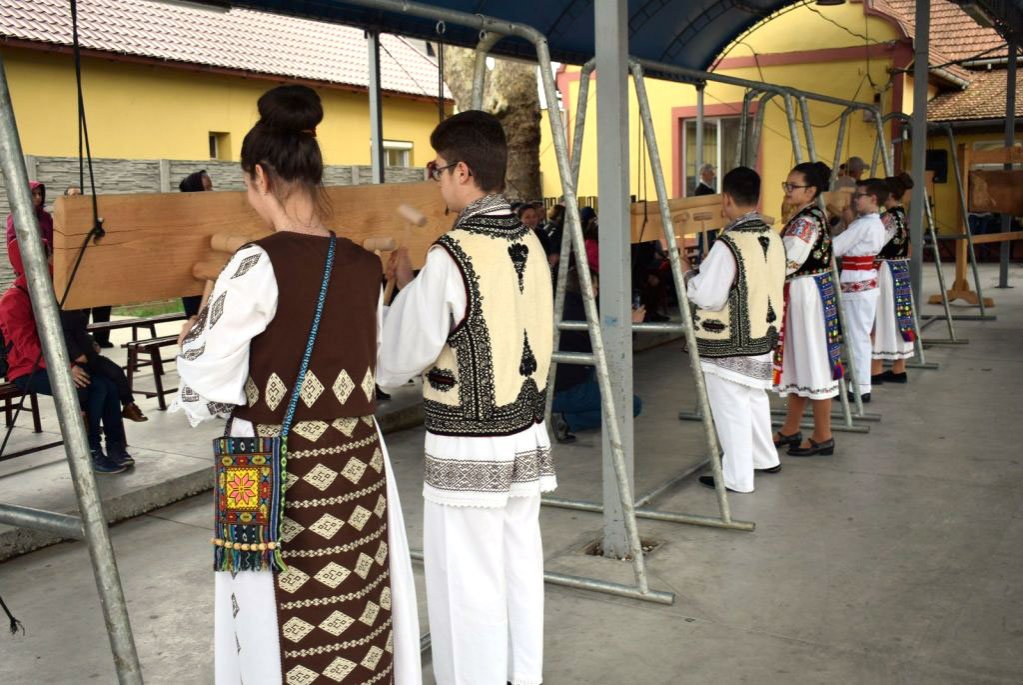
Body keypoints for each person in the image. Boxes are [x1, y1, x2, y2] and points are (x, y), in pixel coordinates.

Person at [169, 85, 421, 685]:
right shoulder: (363, 265)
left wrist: (189, 336)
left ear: (260, 175)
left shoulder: (255, 263)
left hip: (265, 460)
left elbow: (205, 373)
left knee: (265, 616)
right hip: (357, 463)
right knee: (359, 599)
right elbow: (377, 364)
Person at [378, 110, 554, 685]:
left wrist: (392, 294)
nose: (434, 181)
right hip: (523, 430)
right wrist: (412, 282)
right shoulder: (526, 237)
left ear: (461, 171)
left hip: (469, 444)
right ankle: (520, 675)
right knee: (519, 565)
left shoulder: (456, 251)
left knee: (467, 580)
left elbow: (405, 352)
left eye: (435, 170)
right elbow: (481, 318)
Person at [686, 167, 784, 492]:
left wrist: (688, 274)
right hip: (762, 333)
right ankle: (763, 457)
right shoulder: (771, 235)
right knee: (754, 397)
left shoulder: (730, 243)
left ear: (726, 199)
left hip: (729, 340)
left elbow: (708, 296)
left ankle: (737, 477)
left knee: (730, 407)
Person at [0, 239, 131, 473]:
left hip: (63, 361)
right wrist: (65, 367)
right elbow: (27, 346)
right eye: (46, 255)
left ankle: (116, 447)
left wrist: (87, 343)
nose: (51, 260)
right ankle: (90, 452)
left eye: (49, 253)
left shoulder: (54, 289)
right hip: (29, 369)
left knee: (109, 384)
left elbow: (71, 326)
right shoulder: (14, 300)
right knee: (93, 388)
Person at [774, 162, 841, 457]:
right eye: (786, 185)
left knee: (813, 362)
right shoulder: (807, 216)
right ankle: (791, 428)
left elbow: (786, 260)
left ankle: (823, 434)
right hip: (804, 292)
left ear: (811, 190)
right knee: (799, 361)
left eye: (793, 186)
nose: (788, 191)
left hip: (806, 295)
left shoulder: (806, 222)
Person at [552, 269, 643, 443]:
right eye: (595, 286)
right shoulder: (582, 312)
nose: (598, 291)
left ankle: (564, 417)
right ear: (587, 286)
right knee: (631, 405)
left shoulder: (563, 305)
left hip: (554, 384)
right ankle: (567, 418)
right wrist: (631, 327)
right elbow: (606, 350)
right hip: (566, 389)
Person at [834, 178, 888, 403]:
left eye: (860, 195)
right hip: (864, 282)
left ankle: (859, 387)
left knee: (857, 337)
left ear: (873, 199)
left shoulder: (863, 224)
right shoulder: (873, 223)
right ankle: (861, 384)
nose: (856, 199)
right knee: (860, 336)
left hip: (857, 284)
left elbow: (835, 248)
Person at [60, 308, 148, 422]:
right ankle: (82, 418)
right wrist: (77, 354)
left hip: (89, 355)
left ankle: (129, 406)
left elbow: (82, 331)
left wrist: (93, 341)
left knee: (116, 371)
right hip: (74, 359)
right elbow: (63, 336)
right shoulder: (57, 311)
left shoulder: (75, 307)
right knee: (84, 385)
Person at [871, 172, 916, 384]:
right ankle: (899, 368)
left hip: (886, 269)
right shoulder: (901, 214)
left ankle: (875, 370)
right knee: (899, 316)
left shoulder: (887, 217)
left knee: (882, 317)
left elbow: (875, 243)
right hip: (900, 268)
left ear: (888, 194)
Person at [179, 170, 213, 318]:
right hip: (192, 282)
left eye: (211, 187)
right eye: (207, 188)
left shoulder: (216, 214)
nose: (212, 192)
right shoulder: (184, 220)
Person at [5, 181, 53, 252]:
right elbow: (12, 243)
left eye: (40, 194)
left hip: (48, 259)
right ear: (26, 195)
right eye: (33, 194)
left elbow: (53, 239)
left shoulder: (46, 216)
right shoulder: (16, 216)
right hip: (26, 260)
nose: (38, 197)